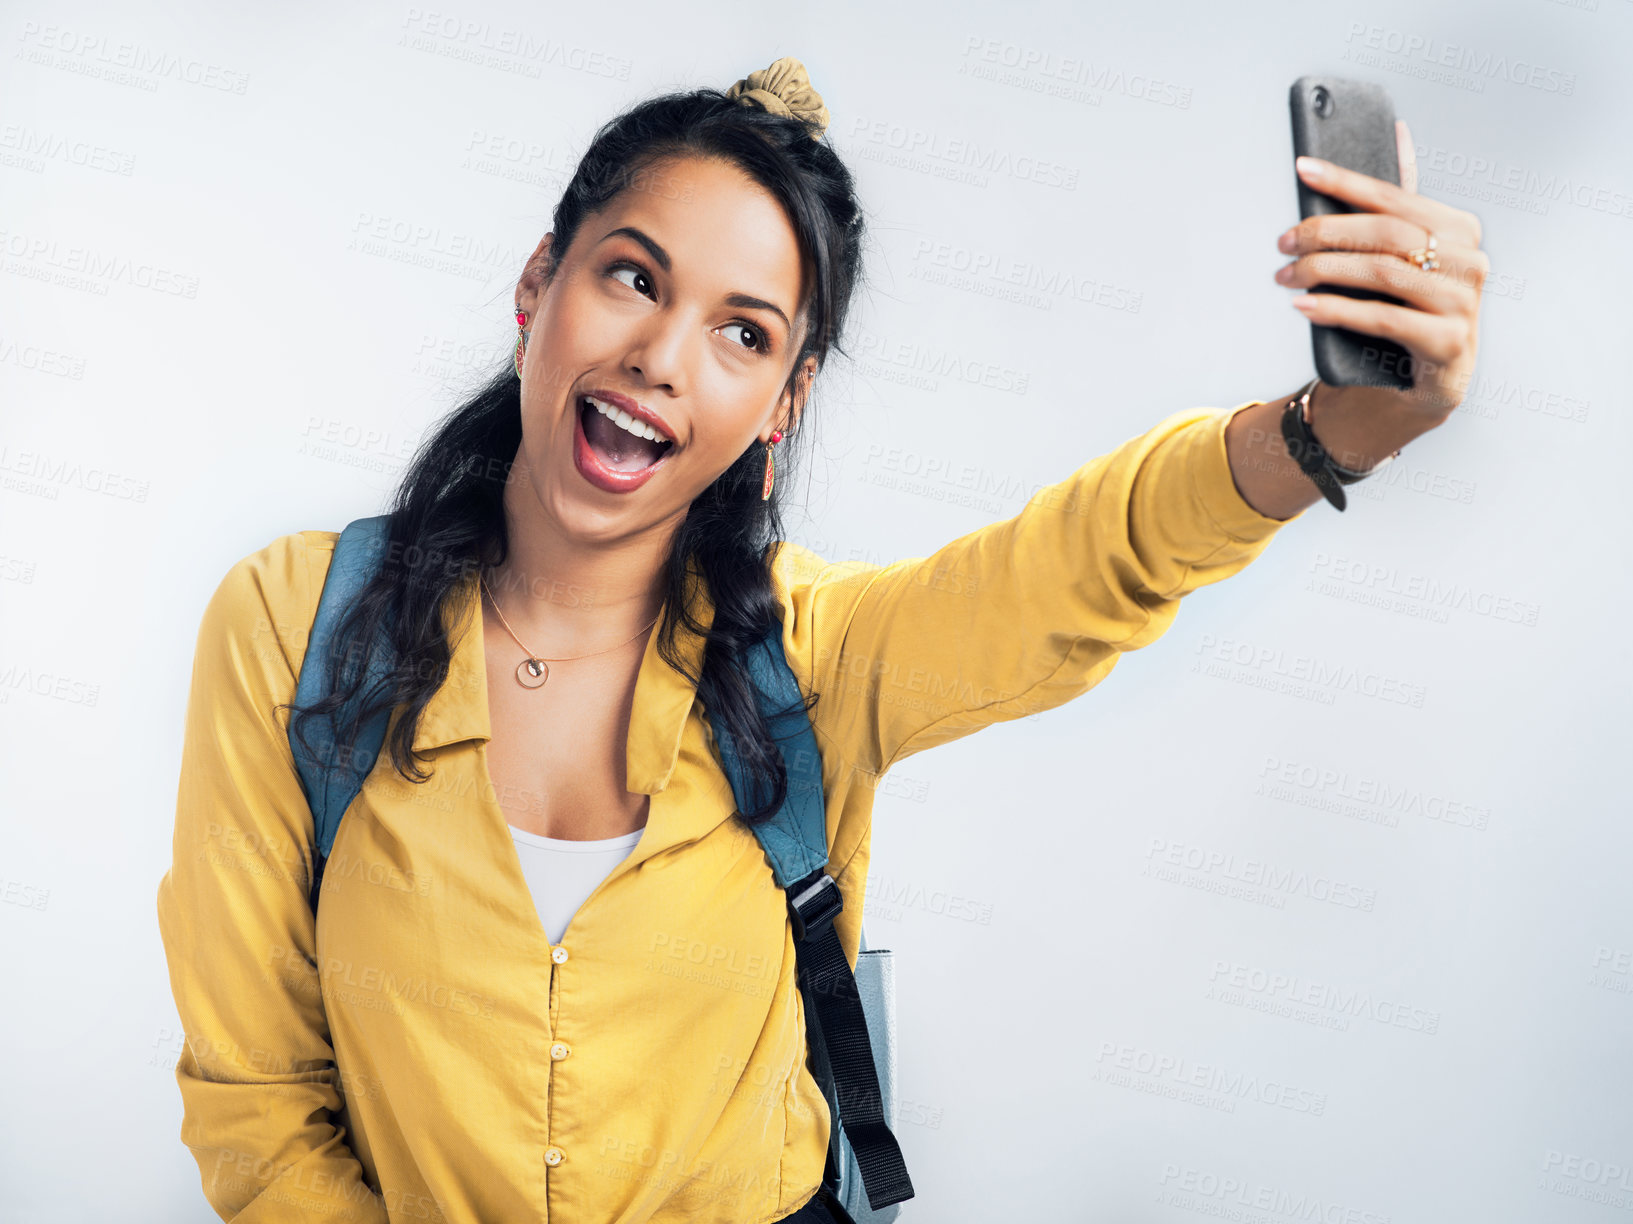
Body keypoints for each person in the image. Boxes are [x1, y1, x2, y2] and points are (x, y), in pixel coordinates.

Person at [155, 55, 1488, 1224]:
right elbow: (258, 1102)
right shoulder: (293, 628)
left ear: (780, 406)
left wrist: (1325, 432)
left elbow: (1069, 571)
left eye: (743, 334)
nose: (662, 358)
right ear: (535, 285)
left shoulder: (815, 653)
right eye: (632, 278)